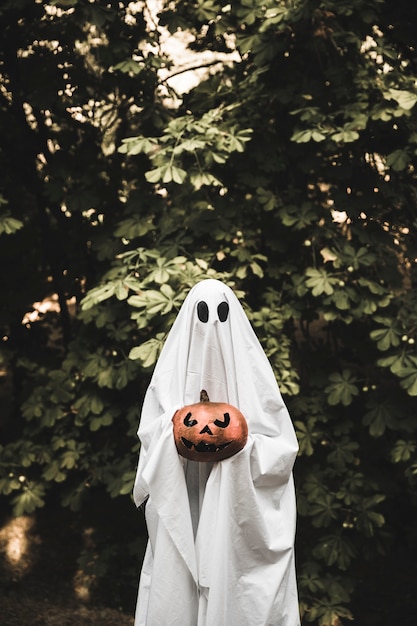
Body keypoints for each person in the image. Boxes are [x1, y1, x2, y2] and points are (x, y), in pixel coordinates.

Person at [133, 278, 300, 626]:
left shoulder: (255, 378)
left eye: (221, 314)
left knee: (233, 583)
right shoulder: (170, 374)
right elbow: (150, 433)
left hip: (236, 510)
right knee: (178, 581)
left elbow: (281, 449)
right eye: (202, 314)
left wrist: (240, 445)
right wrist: (174, 428)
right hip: (184, 495)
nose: (211, 326)